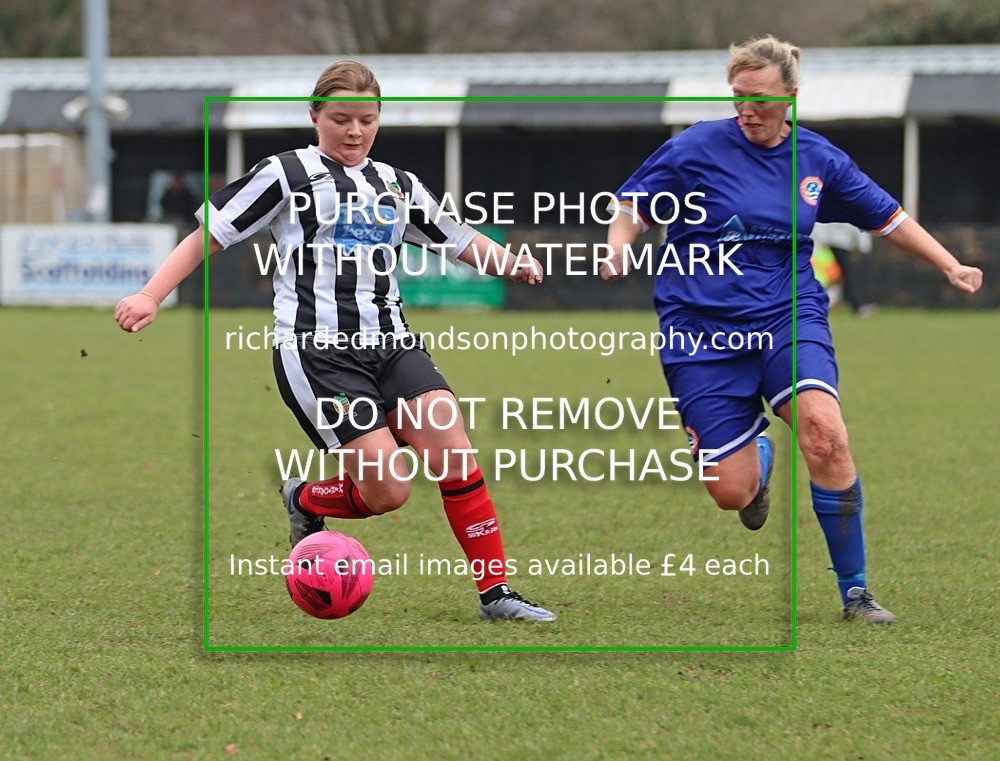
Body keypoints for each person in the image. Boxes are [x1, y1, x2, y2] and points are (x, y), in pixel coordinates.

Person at [115, 60, 556, 622]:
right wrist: (151, 295)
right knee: (388, 493)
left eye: (366, 120)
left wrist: (511, 263)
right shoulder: (285, 173)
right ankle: (304, 498)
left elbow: (457, 238)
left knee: (453, 446)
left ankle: (497, 596)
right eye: (341, 119)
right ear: (314, 116)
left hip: (393, 343)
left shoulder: (397, 183)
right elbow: (210, 236)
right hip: (318, 353)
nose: (354, 131)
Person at [600, 36, 983, 624]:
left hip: (787, 317)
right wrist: (618, 248)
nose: (746, 110)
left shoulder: (819, 159)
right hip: (700, 330)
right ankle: (753, 456)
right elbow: (632, 205)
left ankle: (855, 592)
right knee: (731, 492)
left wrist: (950, 263)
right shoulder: (697, 146)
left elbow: (889, 218)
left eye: (758, 98)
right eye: (737, 98)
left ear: (792, 97)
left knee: (825, 434)